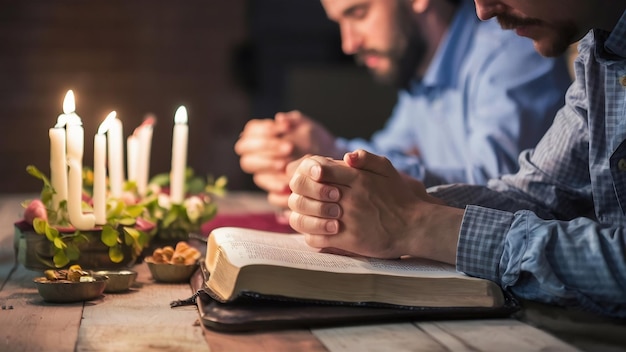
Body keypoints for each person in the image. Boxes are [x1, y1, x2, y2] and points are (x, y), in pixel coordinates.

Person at [285, 0, 626, 319]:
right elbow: (540, 192)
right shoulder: (602, 56)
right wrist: (373, 194)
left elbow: (491, 172)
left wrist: (417, 222)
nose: (482, 10)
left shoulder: (508, 49)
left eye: (358, 12)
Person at [235, 0, 571, 208]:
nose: (349, 44)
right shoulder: (420, 74)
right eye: (339, 22)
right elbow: (387, 154)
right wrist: (312, 162)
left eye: (359, 13)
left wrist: (335, 158)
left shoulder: (512, 47)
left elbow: (500, 189)